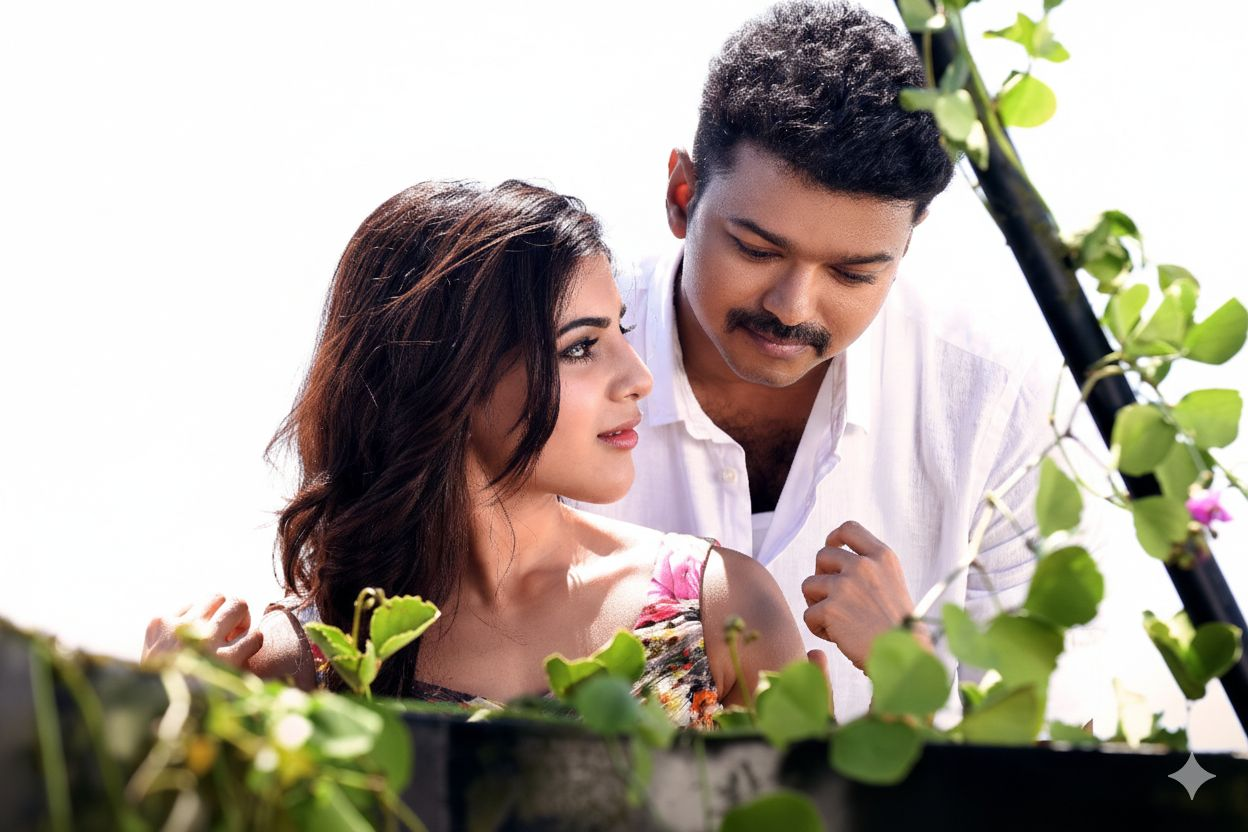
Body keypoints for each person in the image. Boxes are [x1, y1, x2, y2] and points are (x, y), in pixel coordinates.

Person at [143, 179, 809, 726]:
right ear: (448, 379)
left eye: (621, 331)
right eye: (581, 346)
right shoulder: (298, 666)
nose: (638, 377)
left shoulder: (721, 611)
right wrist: (154, 713)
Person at [572, 0, 1055, 721]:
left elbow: (1046, 748)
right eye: (757, 250)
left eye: (853, 274)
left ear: (907, 244)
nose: (793, 306)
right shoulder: (545, 358)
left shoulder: (993, 404)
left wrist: (911, 674)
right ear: (681, 196)